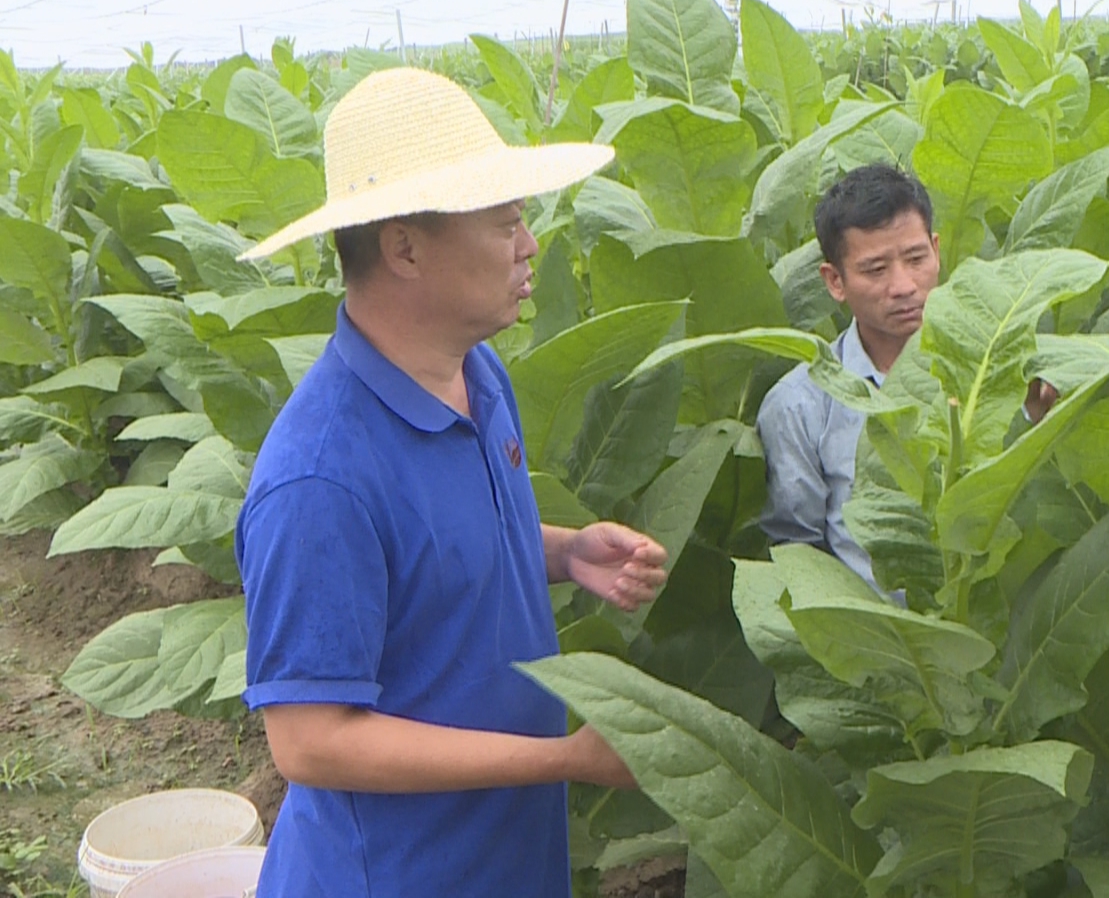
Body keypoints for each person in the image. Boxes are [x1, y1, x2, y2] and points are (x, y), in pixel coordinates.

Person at [233, 68, 668, 898]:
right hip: (399, 875)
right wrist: (567, 759)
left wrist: (568, 552)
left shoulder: (476, 370)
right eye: (505, 222)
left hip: (502, 857)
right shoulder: (319, 478)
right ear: (404, 247)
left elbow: (438, 549)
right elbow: (311, 741)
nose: (529, 244)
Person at [757, 163, 1056, 591]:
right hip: (884, 645)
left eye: (916, 259)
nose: (903, 286)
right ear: (835, 281)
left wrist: (1037, 421)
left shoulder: (1000, 372)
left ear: (936, 250)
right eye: (875, 270)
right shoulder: (798, 404)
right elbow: (799, 559)